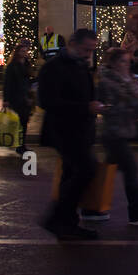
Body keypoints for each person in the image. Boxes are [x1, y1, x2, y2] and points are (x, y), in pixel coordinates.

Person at [37, 28, 103, 241]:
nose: (89, 54)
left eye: (92, 50)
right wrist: (86, 107)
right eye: (86, 49)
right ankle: (56, 218)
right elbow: (47, 101)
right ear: (73, 44)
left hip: (80, 130)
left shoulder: (80, 65)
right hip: (64, 131)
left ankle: (66, 223)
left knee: (70, 174)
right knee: (86, 170)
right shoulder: (54, 68)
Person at [95, 47, 138, 227]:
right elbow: (110, 107)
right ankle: (137, 213)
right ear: (113, 63)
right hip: (114, 132)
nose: (126, 65)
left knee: (106, 173)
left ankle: (92, 208)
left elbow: (134, 101)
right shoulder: (107, 81)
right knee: (131, 170)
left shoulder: (129, 78)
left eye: (128, 61)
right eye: (122, 61)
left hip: (125, 130)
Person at [2, 40, 35, 155]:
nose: (24, 53)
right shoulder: (13, 66)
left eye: (25, 51)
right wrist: (6, 99)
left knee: (24, 121)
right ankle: (20, 145)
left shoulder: (26, 64)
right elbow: (8, 83)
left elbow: (28, 80)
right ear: (17, 53)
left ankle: (21, 144)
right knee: (21, 120)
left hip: (25, 96)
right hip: (16, 97)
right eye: (22, 51)